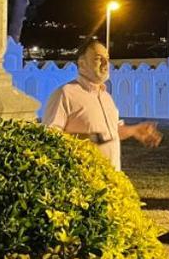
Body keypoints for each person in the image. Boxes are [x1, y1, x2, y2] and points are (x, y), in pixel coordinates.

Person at [43, 40, 162, 169]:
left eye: (107, 59)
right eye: (98, 59)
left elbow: (112, 132)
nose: (106, 64)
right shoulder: (65, 94)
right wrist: (88, 138)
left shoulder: (106, 97)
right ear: (82, 63)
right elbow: (49, 137)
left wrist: (135, 130)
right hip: (84, 176)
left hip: (112, 176)